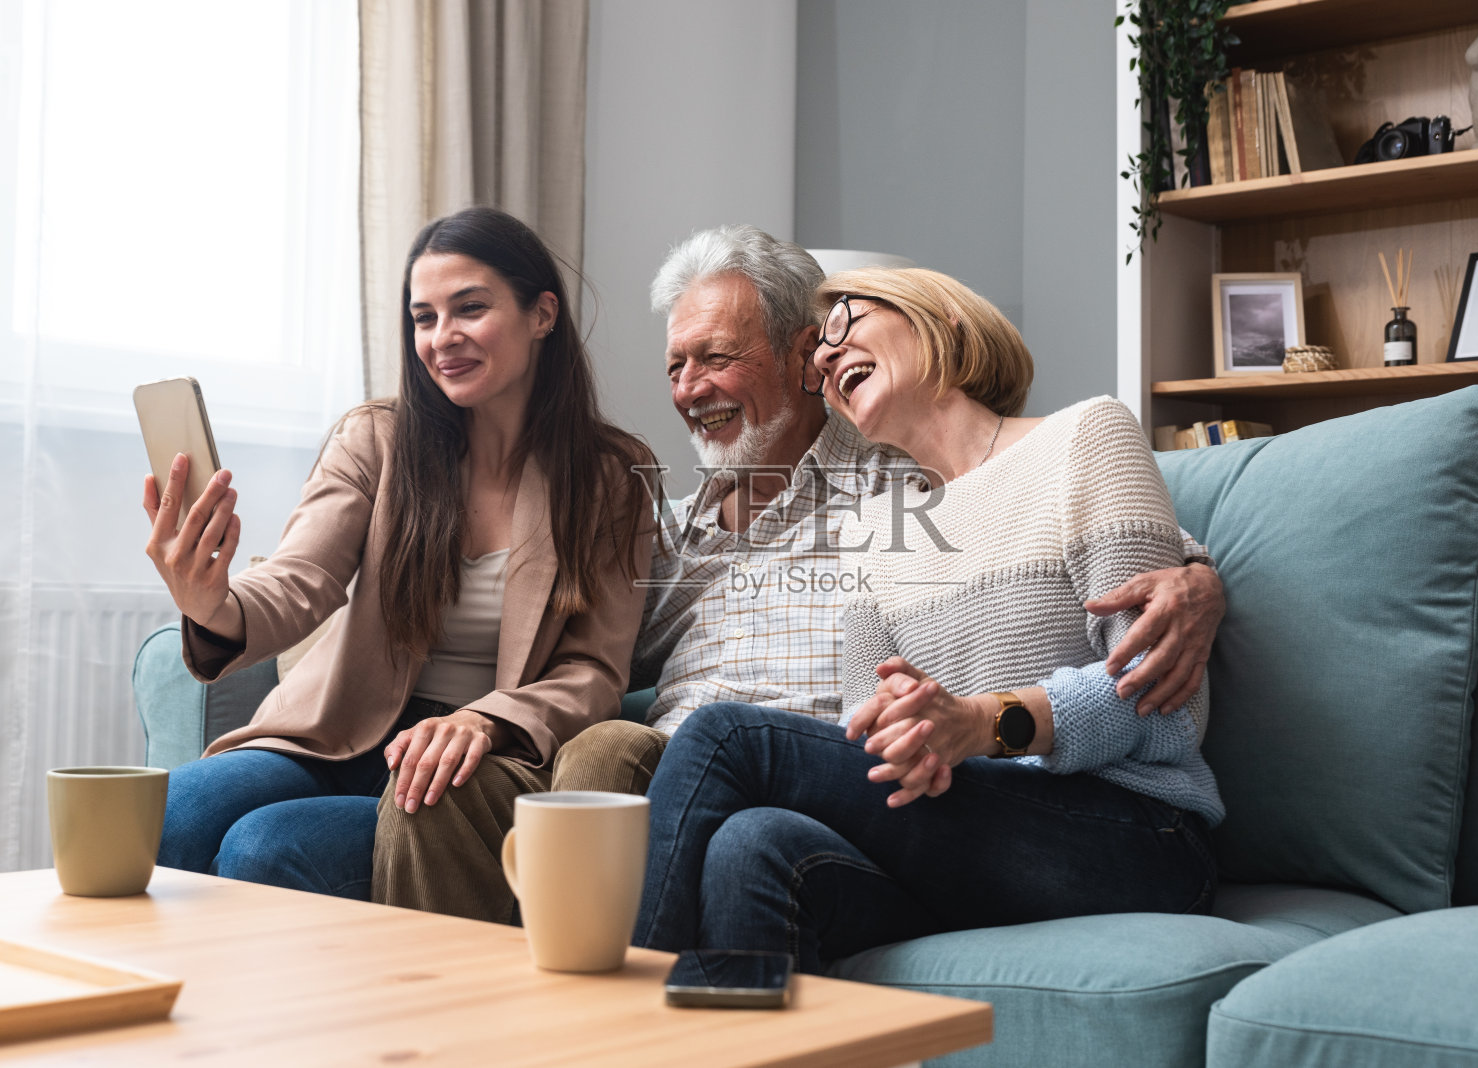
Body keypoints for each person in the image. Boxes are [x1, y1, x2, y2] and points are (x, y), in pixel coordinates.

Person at [371, 225, 1225, 922]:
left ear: (797, 356)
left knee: (651, 750)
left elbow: (1094, 542)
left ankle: (596, 1027)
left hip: (870, 781)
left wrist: (1197, 572)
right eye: (675, 367)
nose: (690, 387)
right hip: (888, 796)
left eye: (716, 356)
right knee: (450, 794)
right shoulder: (683, 533)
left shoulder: (903, 485)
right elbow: (570, 643)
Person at [632, 267, 1223, 973]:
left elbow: (1165, 715)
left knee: (727, 737)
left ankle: (601, 1023)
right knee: (752, 844)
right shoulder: (876, 528)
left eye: (845, 324)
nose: (824, 356)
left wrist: (981, 724)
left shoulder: (1086, 437)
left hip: (1136, 833)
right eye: (818, 351)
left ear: (941, 318)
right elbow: (868, 743)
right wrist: (904, 735)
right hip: (974, 842)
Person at [147, 207, 654, 905]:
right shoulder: (376, 439)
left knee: (264, 848)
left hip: (473, 763)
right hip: (338, 735)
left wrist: (485, 718)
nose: (442, 338)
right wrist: (212, 603)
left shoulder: (611, 476)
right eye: (424, 317)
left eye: (469, 309)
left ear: (542, 315)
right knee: (168, 816)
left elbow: (594, 670)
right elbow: (302, 579)